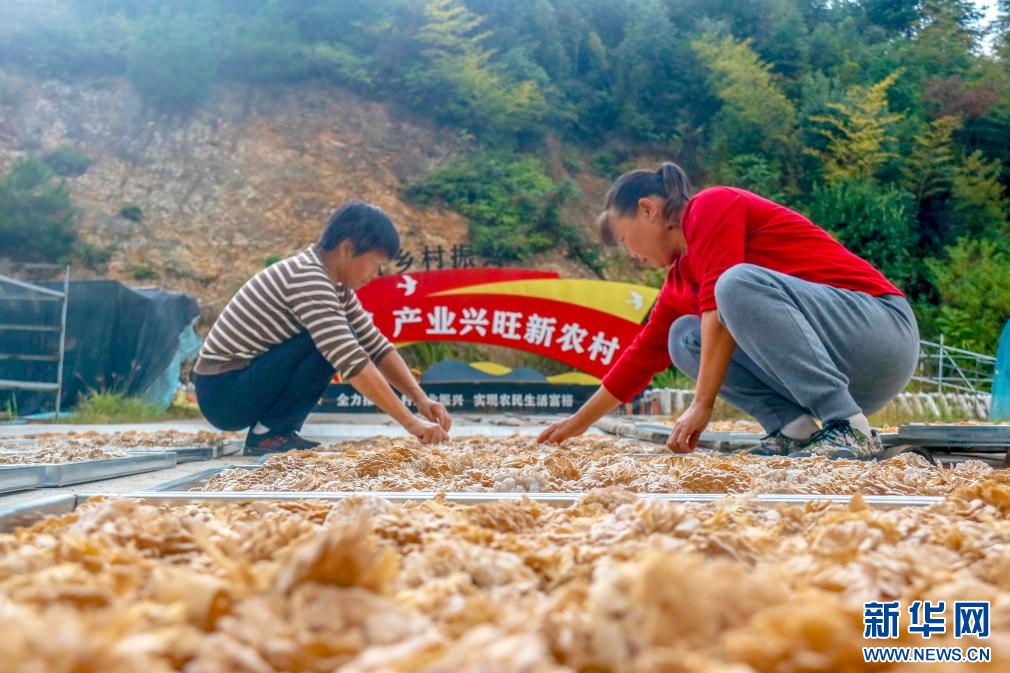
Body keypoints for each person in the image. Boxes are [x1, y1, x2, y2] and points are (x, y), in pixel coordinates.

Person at [539, 162, 918, 459]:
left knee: (734, 285)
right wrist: (578, 423)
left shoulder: (711, 206)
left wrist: (701, 405)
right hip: (844, 369)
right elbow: (639, 359)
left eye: (625, 240)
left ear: (647, 210)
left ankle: (848, 427)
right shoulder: (679, 282)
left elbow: (720, 307)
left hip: (881, 333)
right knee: (682, 338)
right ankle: (793, 430)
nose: (633, 255)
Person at [193, 200, 451, 453]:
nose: (375, 275)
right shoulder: (308, 277)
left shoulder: (335, 286)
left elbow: (376, 345)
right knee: (332, 342)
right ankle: (269, 433)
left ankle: (275, 431)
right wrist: (410, 422)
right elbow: (352, 360)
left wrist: (420, 399)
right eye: (375, 264)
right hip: (223, 392)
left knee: (341, 336)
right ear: (347, 249)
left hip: (238, 384)